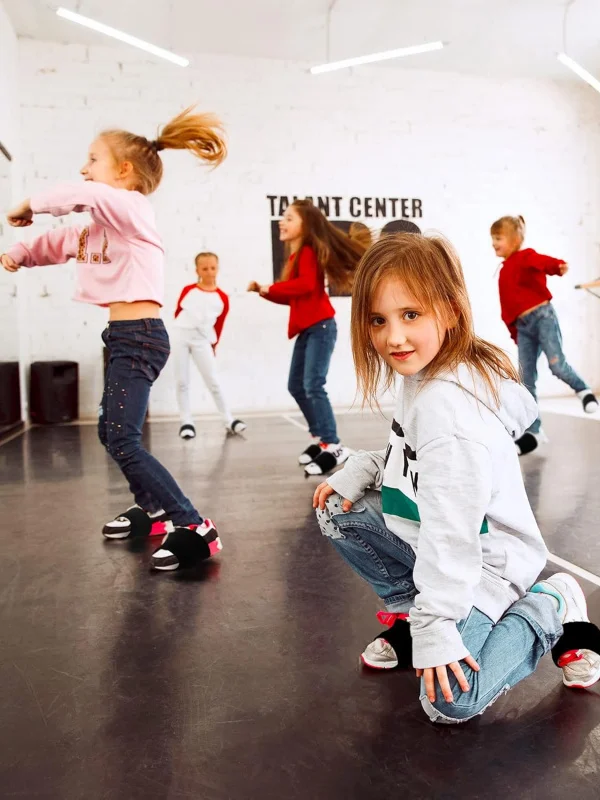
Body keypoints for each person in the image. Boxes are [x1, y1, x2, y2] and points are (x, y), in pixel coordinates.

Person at [312, 233, 600, 724]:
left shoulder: (449, 415)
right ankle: (415, 611)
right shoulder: (423, 374)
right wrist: (365, 467)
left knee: (451, 702)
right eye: (378, 320)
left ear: (448, 311)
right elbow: (407, 453)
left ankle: (550, 605)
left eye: (411, 315)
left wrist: (436, 630)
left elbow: (454, 536)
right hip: (436, 537)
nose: (394, 338)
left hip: (486, 562)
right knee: (337, 510)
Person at [1, 107, 227, 570]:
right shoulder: (100, 228)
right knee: (112, 432)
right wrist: (22, 253)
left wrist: (30, 203)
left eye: (93, 160)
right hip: (123, 336)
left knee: (122, 437)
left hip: (141, 336)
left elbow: (82, 195)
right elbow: (61, 241)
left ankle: (195, 527)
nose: (84, 169)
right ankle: (155, 510)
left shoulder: (132, 209)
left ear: (124, 171)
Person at [248, 199, 366, 475]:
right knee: (296, 386)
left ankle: (333, 445)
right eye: (283, 217)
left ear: (306, 224)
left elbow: (304, 285)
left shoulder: (309, 251)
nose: (282, 221)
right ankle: (320, 438)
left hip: (321, 327)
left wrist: (268, 287)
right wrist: (265, 292)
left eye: (289, 218)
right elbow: (297, 296)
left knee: (313, 385)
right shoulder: (296, 255)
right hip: (310, 327)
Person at [491, 215, 598, 455]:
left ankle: (583, 390)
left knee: (556, 365)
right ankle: (534, 431)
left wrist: (557, 266)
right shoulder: (503, 271)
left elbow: (543, 262)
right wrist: (515, 333)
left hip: (542, 317)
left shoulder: (525, 256)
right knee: (525, 379)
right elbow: (507, 307)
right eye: (492, 239)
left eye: (498, 238)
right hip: (524, 328)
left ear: (515, 239)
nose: (494, 244)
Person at [174, 251, 245, 439]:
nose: (209, 272)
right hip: (182, 337)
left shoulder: (222, 297)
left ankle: (228, 419)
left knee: (213, 381)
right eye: (204, 268)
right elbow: (178, 313)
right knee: (182, 381)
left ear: (218, 268)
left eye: (213, 268)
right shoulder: (188, 290)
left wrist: (213, 346)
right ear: (197, 270)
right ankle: (186, 421)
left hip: (202, 340)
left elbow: (219, 325)